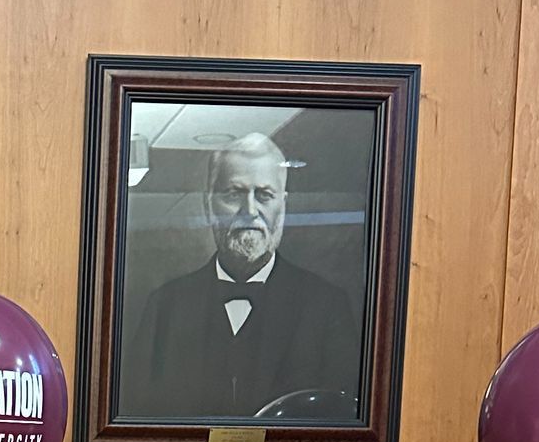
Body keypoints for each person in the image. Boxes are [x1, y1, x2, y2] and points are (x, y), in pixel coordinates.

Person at [117, 131, 363, 424]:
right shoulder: (165, 304)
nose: (250, 211)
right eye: (234, 193)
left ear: (282, 206)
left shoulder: (327, 306)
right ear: (209, 205)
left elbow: (342, 420)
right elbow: (133, 413)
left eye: (264, 195)